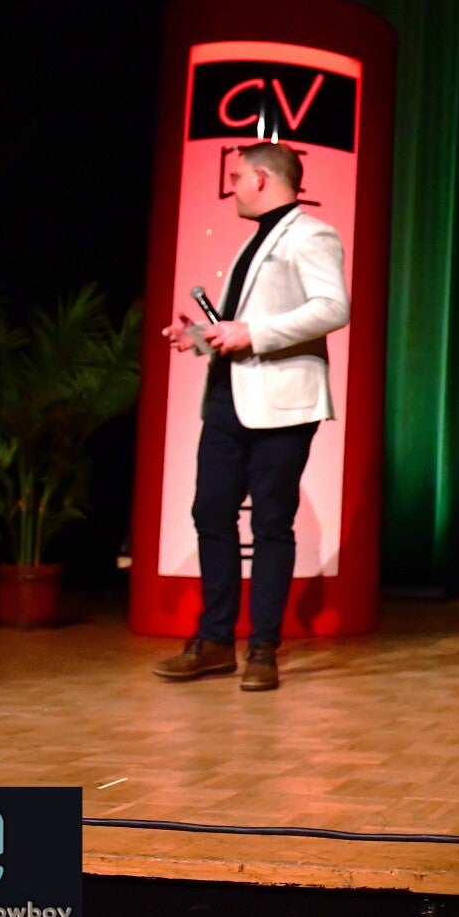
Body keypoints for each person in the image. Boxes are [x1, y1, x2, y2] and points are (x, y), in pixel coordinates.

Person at [151, 140, 349, 692]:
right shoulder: (253, 241)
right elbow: (241, 324)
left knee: (270, 523)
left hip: (282, 403)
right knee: (210, 511)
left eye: (237, 177)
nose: (232, 186)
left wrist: (252, 332)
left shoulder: (311, 234)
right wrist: (199, 336)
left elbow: (333, 307)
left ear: (262, 178)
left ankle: (262, 647)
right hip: (227, 397)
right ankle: (215, 641)